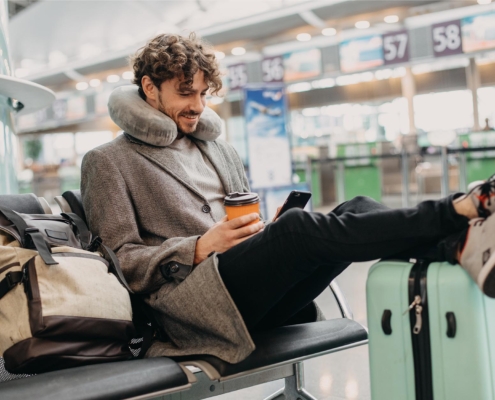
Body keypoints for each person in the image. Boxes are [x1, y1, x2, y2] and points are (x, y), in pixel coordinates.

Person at [81, 33, 495, 363]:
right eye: (186, 93)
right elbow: (121, 264)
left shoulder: (217, 148)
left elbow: (242, 224)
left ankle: (458, 245)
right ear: (149, 88)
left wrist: (266, 232)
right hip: (191, 313)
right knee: (299, 230)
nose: (198, 106)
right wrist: (199, 247)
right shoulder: (108, 161)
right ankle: (457, 210)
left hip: (250, 290)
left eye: (205, 94)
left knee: (357, 207)